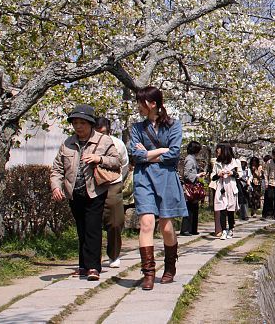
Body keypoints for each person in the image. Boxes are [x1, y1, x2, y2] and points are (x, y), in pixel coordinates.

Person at [50, 104, 121, 281]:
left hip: (95, 191)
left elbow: (116, 161)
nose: (78, 126)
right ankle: (83, 265)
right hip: (74, 192)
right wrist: (56, 187)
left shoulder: (103, 141)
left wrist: (99, 158)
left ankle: (93, 268)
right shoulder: (67, 143)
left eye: (82, 122)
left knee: (93, 228)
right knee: (82, 229)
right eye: (75, 122)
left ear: (90, 123)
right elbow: (57, 168)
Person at [128, 86, 188, 291]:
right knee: (146, 223)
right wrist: (161, 150)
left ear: (152, 104)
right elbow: (135, 155)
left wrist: (151, 153)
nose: (138, 106)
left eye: (140, 102)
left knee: (166, 227)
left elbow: (174, 154)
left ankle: (170, 265)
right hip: (143, 178)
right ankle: (148, 272)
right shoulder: (136, 128)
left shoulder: (174, 125)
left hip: (166, 179)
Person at [94, 117, 130, 268]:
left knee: (115, 222)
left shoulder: (118, 144)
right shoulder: (88, 143)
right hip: (93, 185)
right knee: (92, 222)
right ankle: (93, 257)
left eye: (103, 132)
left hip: (113, 184)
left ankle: (113, 254)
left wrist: (117, 180)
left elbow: (125, 165)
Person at [212, 144, 241, 239]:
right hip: (221, 187)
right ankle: (224, 230)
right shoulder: (217, 162)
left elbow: (240, 175)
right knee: (222, 209)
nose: (218, 152)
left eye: (219, 150)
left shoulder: (235, 162)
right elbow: (212, 177)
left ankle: (231, 229)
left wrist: (232, 173)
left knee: (230, 210)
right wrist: (218, 174)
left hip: (231, 187)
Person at [179, 141, 204, 236]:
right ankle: (185, 229)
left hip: (193, 185)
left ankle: (193, 229)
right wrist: (198, 175)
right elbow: (187, 175)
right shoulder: (190, 160)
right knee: (189, 207)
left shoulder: (192, 159)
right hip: (190, 186)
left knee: (194, 207)